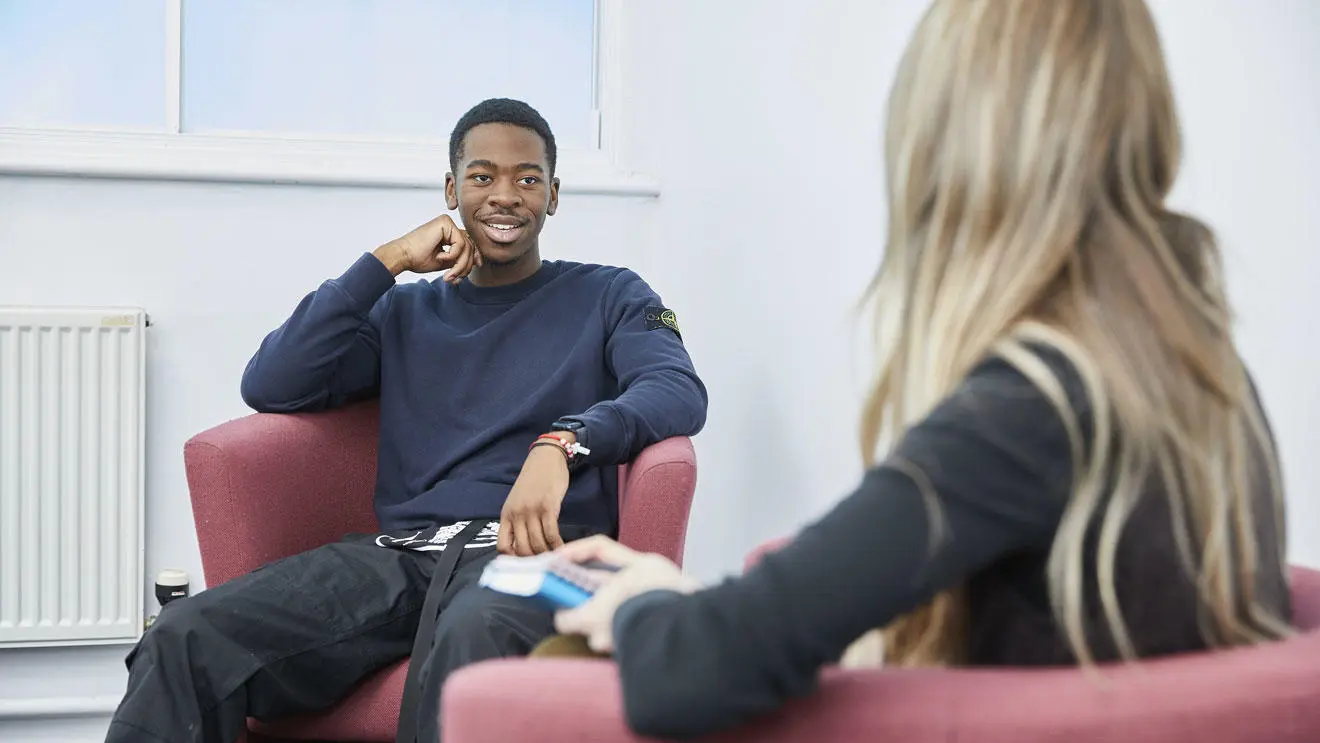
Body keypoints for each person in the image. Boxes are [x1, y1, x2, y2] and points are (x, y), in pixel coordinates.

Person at [549, 0, 1294, 737]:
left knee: (566, 651)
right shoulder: (1198, 373)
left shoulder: (1034, 408)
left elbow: (685, 675)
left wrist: (646, 606)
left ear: (945, 149)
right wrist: (702, 602)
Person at [104, 98, 708, 743]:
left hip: (538, 555)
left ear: (554, 196)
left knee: (474, 642)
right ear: (451, 190)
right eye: (482, 177)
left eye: (527, 178)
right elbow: (272, 383)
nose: (506, 194)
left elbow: (676, 390)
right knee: (185, 636)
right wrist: (385, 263)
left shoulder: (610, 293)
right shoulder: (405, 313)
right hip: (403, 556)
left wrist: (563, 444)